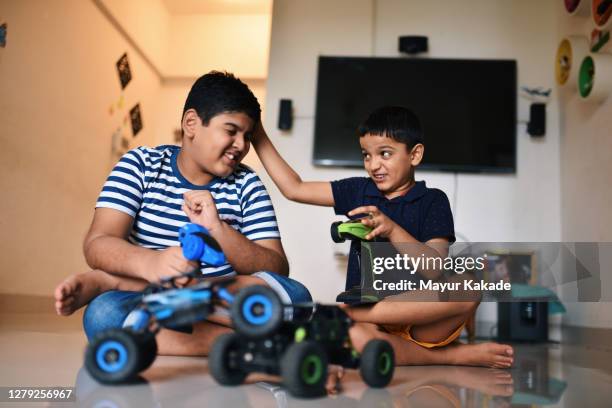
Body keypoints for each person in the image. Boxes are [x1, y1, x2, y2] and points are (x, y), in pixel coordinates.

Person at [54, 71, 311, 356]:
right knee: (104, 314)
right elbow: (98, 243)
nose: (242, 145)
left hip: (220, 303)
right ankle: (247, 345)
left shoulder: (247, 184)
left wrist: (218, 230)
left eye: (248, 136)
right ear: (191, 123)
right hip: (163, 302)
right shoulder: (140, 164)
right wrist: (152, 263)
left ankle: (187, 305)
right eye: (231, 131)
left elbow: (276, 268)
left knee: (297, 296)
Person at [251, 106, 514, 368]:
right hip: (369, 322)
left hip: (422, 322)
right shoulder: (358, 190)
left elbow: (434, 269)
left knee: (469, 286)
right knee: (354, 339)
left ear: (415, 154)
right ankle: (454, 355)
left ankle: (344, 315)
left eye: (385, 153)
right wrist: (258, 134)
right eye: (366, 155)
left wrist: (392, 229)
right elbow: (294, 188)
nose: (373, 165)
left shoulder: (433, 201)